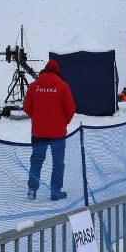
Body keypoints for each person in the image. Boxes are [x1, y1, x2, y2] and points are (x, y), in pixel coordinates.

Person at [22, 60, 76, 201]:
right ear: (57, 72)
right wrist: (63, 122)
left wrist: (38, 118)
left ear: (44, 71)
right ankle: (55, 191)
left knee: (36, 161)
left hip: (38, 132)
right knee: (58, 162)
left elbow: (26, 107)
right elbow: (70, 109)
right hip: (58, 133)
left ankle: (32, 189)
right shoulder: (63, 87)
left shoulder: (34, 86)